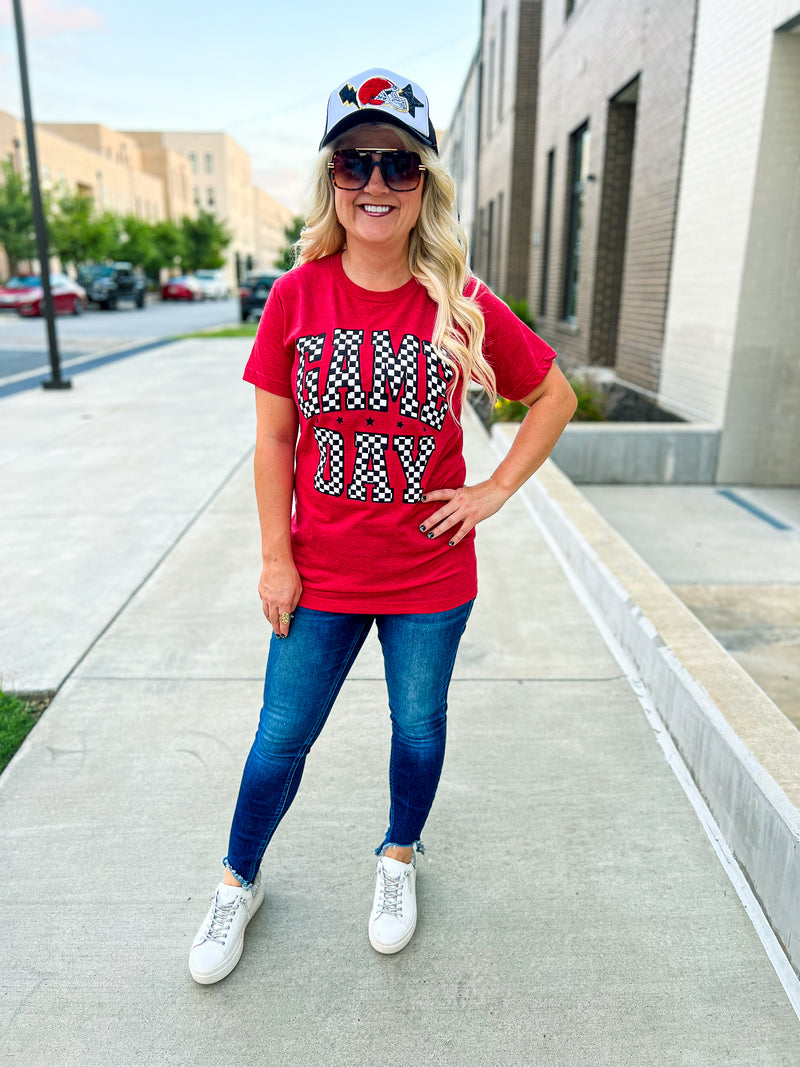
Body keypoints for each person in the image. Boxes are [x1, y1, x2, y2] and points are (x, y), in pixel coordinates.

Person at [189, 67, 577, 985]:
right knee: (280, 737)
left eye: (398, 166)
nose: (375, 184)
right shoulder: (296, 295)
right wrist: (275, 557)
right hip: (319, 573)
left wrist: (490, 491)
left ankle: (398, 856)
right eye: (356, 163)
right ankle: (237, 880)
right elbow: (275, 440)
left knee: (418, 730)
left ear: (424, 184)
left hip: (429, 576)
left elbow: (552, 394)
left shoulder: (460, 298)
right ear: (332, 179)